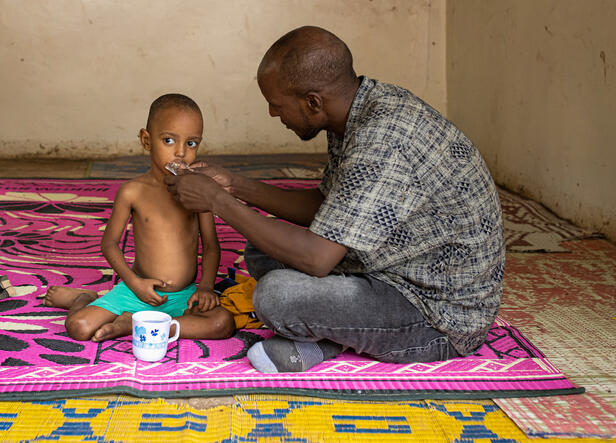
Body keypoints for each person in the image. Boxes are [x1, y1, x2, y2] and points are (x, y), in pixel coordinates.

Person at [164, 26, 505, 373]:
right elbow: (326, 207)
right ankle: (335, 331)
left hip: (436, 313)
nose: (272, 113)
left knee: (277, 297)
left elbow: (316, 259)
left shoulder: (383, 138)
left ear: (313, 102)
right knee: (262, 247)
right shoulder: (355, 111)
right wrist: (234, 185)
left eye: (276, 105)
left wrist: (219, 201)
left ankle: (333, 337)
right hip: (393, 264)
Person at [43, 93, 235, 342]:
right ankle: (84, 298)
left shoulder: (199, 192)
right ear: (147, 140)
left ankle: (132, 325)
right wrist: (135, 284)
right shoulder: (133, 191)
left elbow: (210, 245)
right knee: (78, 327)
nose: (180, 153)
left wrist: (206, 287)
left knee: (223, 324)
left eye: (191, 143)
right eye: (168, 140)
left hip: (183, 296)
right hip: (136, 291)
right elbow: (109, 244)